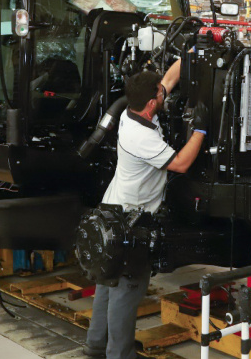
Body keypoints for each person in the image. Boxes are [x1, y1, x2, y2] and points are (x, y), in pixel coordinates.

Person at [84, 59, 208, 359]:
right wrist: (200, 130)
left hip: (111, 207)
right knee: (126, 289)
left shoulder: (134, 110)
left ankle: (96, 346)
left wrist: (191, 51)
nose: (165, 95)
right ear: (153, 104)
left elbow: (167, 79)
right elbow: (180, 163)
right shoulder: (141, 136)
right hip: (129, 219)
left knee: (107, 281)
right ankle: (119, 355)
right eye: (161, 96)